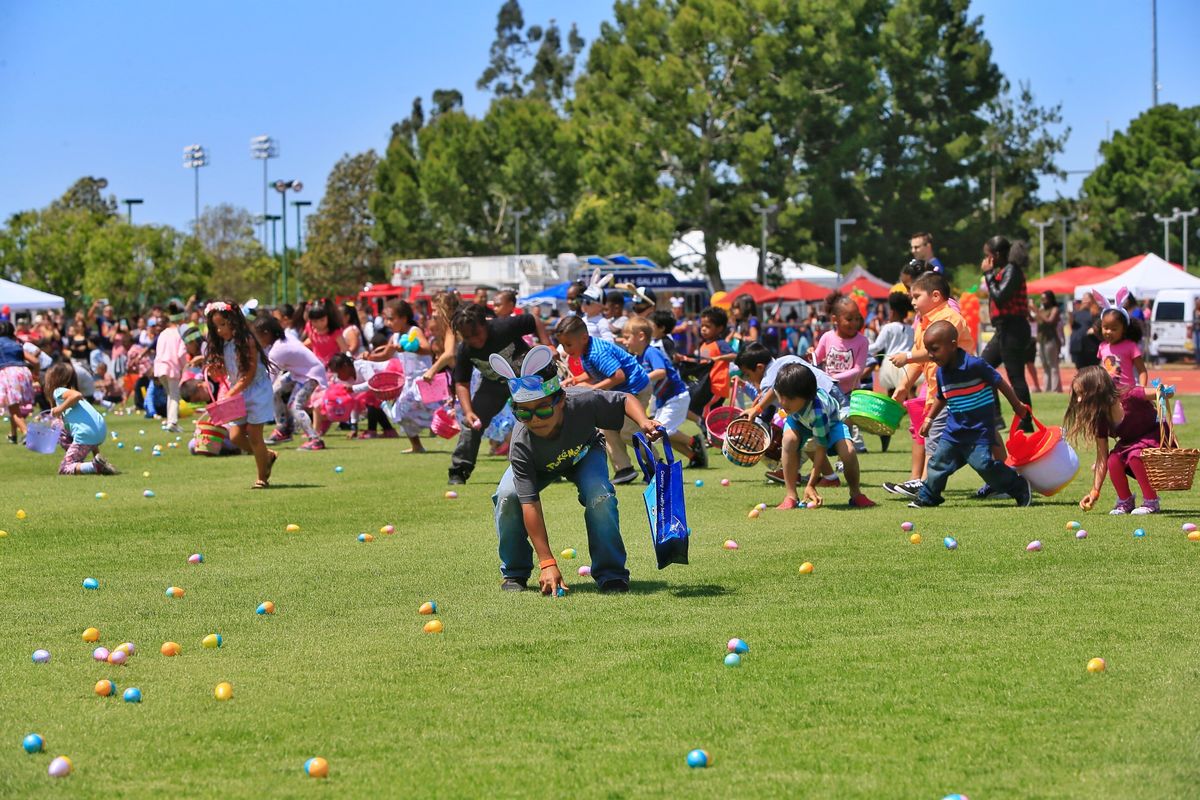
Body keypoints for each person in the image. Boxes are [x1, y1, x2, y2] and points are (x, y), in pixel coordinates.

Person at [489, 345, 660, 595]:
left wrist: (644, 421)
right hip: (539, 466)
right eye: (523, 412)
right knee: (507, 495)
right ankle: (515, 571)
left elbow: (624, 399)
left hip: (584, 453)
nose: (535, 418)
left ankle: (611, 573)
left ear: (560, 400)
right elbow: (530, 504)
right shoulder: (521, 441)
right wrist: (547, 562)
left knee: (599, 495)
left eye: (543, 409)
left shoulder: (583, 401)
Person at [906, 321, 1032, 508]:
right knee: (937, 463)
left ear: (953, 345)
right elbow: (942, 397)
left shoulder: (975, 365)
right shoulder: (941, 373)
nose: (931, 355)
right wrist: (929, 419)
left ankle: (1018, 486)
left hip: (979, 430)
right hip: (953, 431)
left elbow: (999, 382)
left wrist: (1016, 405)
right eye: (928, 350)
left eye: (934, 349)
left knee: (984, 465)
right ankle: (928, 496)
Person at [886, 272, 979, 499]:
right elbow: (923, 359)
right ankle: (1005, 480)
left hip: (958, 390)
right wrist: (903, 385)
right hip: (942, 392)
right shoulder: (923, 322)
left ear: (935, 296)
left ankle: (926, 486)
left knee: (937, 438)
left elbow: (935, 352)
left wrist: (907, 356)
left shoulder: (949, 318)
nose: (912, 301)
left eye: (917, 296)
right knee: (978, 440)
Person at [448, 303, 550, 485]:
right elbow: (461, 383)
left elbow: (533, 320)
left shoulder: (504, 327)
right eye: (468, 337)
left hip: (525, 379)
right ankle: (459, 471)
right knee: (471, 423)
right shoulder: (465, 349)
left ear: (484, 324)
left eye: (477, 334)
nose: (475, 341)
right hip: (493, 384)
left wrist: (547, 345)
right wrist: (468, 411)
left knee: (538, 419)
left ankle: (549, 464)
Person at [555, 315, 652, 485]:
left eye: (568, 344)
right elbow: (596, 372)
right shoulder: (585, 351)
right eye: (563, 345)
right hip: (620, 392)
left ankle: (656, 467)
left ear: (583, 338)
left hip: (636, 390)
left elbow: (618, 376)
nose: (565, 349)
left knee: (629, 431)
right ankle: (624, 469)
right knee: (606, 428)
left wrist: (593, 389)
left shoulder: (597, 352)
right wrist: (576, 380)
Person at [736, 343, 841, 487]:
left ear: (760, 367)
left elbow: (771, 399)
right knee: (802, 439)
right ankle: (823, 476)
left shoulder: (768, 380)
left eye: (748, 374)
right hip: (834, 393)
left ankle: (798, 473)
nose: (748, 378)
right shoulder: (785, 359)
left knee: (798, 438)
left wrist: (756, 412)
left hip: (821, 406)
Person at [773, 363, 876, 510]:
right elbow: (776, 391)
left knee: (849, 452)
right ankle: (790, 496)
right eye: (781, 396)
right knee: (789, 440)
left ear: (806, 397)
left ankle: (856, 494)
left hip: (832, 423)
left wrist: (811, 484)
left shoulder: (818, 413)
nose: (783, 403)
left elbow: (821, 450)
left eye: (789, 399)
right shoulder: (786, 393)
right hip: (799, 421)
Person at [1066, 365, 1163, 516]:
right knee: (1113, 460)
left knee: (1135, 455)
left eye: (1082, 393)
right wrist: (1094, 491)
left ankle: (1151, 501)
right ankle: (1125, 501)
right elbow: (1101, 459)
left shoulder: (1130, 395)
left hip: (1153, 437)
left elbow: (1158, 392)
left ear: (1097, 389)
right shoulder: (1101, 418)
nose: (1078, 399)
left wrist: (1165, 392)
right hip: (1130, 443)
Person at [204, 301, 277, 489]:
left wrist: (229, 393)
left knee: (254, 435)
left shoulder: (247, 341)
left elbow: (249, 374)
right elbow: (225, 373)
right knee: (235, 436)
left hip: (257, 390)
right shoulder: (225, 344)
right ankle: (266, 455)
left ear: (233, 322)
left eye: (223, 325)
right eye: (216, 327)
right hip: (240, 391)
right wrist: (215, 370)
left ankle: (262, 478)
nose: (219, 330)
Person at [620, 317, 702, 467]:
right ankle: (694, 456)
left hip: (676, 396)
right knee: (662, 434)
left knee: (660, 433)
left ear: (641, 336)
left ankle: (693, 442)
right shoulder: (637, 357)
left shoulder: (652, 352)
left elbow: (661, 372)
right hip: (664, 400)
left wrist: (642, 379)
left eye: (627, 337)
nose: (624, 342)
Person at [980, 235, 1033, 429]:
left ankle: (1025, 422)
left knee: (1016, 376)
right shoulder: (1004, 271)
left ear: (997, 255)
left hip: (1014, 328)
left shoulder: (1012, 271)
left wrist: (988, 274)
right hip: (1003, 329)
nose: (986, 260)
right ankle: (996, 418)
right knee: (983, 368)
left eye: (988, 256)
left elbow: (1000, 296)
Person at [252, 316, 328, 451]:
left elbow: (271, 377)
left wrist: (256, 394)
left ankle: (315, 439)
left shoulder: (278, 350)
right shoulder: (284, 338)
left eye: (258, 337)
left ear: (266, 333)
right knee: (276, 392)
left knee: (295, 406)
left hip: (310, 374)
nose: (258, 341)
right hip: (299, 373)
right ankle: (284, 429)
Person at [372, 299, 437, 454]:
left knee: (428, 410)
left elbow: (428, 349)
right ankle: (417, 445)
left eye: (391, 319)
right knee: (401, 413)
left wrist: (410, 347)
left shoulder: (414, 331)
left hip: (423, 378)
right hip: (408, 381)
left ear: (403, 318)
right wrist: (369, 357)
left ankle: (439, 425)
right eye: (386, 319)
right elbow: (385, 354)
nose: (388, 323)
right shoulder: (394, 336)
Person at [43, 362, 119, 476]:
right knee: (59, 424)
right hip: (99, 432)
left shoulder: (59, 391)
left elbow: (76, 395)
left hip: (87, 434)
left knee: (65, 468)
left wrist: (59, 409)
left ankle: (94, 466)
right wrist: (96, 455)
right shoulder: (73, 399)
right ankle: (95, 462)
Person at [682, 307, 736, 437]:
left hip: (716, 386)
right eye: (702, 326)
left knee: (706, 411)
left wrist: (719, 358)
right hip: (704, 385)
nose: (703, 329)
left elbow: (734, 355)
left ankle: (713, 436)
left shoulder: (720, 344)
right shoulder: (704, 345)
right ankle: (714, 435)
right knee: (702, 411)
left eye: (708, 326)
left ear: (719, 328)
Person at [1094, 289, 1148, 389]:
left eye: (1114, 329)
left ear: (1124, 329)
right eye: (1105, 328)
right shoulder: (1102, 347)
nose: (1109, 332)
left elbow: (1142, 370)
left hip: (1127, 393)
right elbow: (1101, 368)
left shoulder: (1131, 346)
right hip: (1108, 394)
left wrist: (1142, 389)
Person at [153, 301, 189, 433]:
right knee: (174, 396)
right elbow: (181, 353)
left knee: (170, 395)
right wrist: (185, 367)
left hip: (160, 367)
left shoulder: (163, 333)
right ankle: (172, 422)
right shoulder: (179, 334)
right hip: (172, 368)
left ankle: (170, 421)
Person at [0, 321, 36, 443]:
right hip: (24, 372)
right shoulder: (16, 344)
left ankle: (26, 433)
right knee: (13, 405)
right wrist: (35, 376)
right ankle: (13, 434)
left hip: (9, 374)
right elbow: (35, 361)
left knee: (13, 407)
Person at [1036, 291, 1064, 392]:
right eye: (1041, 299)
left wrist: (1037, 312)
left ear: (1050, 299)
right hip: (1041, 340)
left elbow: (1050, 321)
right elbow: (1034, 320)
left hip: (1050, 339)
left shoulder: (1055, 309)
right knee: (1045, 366)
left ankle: (1055, 389)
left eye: (1044, 298)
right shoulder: (1041, 310)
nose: (1042, 301)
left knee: (1053, 365)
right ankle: (1047, 389)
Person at [1069, 293, 1101, 368]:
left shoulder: (1096, 313)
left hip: (1091, 345)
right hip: (1078, 346)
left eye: (1087, 298)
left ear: (1092, 300)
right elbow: (1072, 325)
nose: (1085, 300)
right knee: (1080, 370)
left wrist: (1094, 328)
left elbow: (1099, 323)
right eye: (1084, 298)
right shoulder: (1077, 312)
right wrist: (1070, 316)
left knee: (1092, 369)